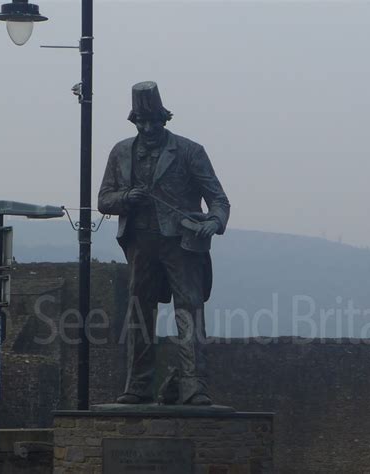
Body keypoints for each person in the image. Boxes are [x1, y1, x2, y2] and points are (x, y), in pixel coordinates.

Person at [98, 81, 230, 405]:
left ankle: (193, 386)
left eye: (154, 121)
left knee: (189, 310)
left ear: (164, 119)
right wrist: (128, 197)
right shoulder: (120, 152)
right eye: (142, 123)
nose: (148, 128)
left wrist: (213, 223)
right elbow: (104, 200)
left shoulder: (189, 152)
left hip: (181, 244)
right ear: (134, 122)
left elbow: (219, 200)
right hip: (140, 244)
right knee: (139, 312)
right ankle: (138, 385)